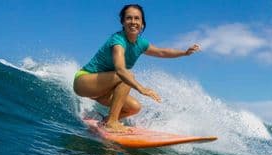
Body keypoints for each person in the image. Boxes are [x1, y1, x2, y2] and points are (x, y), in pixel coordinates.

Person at [73, 4, 200, 132]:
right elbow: (120, 70)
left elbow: (162, 52)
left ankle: (107, 120)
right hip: (84, 81)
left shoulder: (141, 43)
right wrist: (141, 89)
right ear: (123, 22)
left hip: (103, 89)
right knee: (126, 76)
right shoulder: (118, 41)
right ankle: (112, 122)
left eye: (137, 18)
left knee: (134, 107)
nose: (133, 22)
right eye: (129, 18)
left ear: (142, 24)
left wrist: (184, 53)